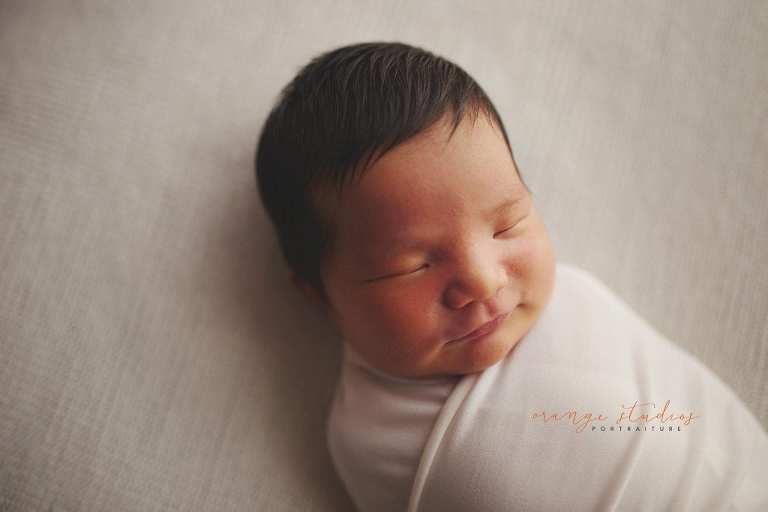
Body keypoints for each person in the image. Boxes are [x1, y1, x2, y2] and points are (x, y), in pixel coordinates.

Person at [254, 41, 767, 511]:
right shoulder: (368, 438)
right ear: (319, 296)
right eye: (412, 266)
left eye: (507, 225)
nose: (481, 279)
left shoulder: (575, 297)